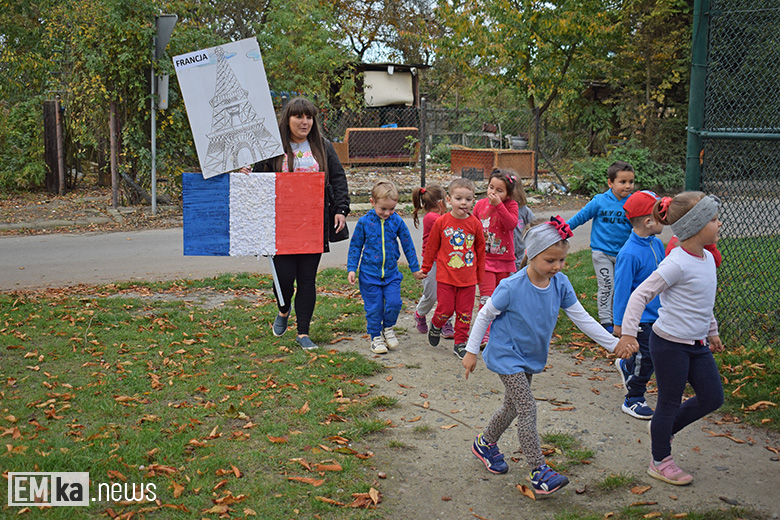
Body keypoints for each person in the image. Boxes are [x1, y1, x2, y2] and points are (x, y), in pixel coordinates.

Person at [462, 217, 630, 496]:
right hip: (506, 356)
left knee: (513, 407)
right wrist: (471, 351)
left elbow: (582, 318)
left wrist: (613, 344)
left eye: (561, 260)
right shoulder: (511, 286)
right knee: (527, 407)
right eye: (550, 260)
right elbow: (484, 315)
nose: (557, 267)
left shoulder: (560, 284)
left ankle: (485, 443)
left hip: (529, 356)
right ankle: (539, 471)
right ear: (531, 254)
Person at [616, 192, 724, 486]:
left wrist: (711, 331)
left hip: (697, 345)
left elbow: (704, 302)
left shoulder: (705, 260)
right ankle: (660, 460)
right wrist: (628, 332)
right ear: (695, 226)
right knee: (669, 402)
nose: (719, 224)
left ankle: (662, 430)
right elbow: (641, 295)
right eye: (714, 219)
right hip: (669, 345)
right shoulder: (676, 263)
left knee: (713, 396)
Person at [246, 97, 350, 350]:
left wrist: (341, 209)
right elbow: (258, 180)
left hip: (313, 223)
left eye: (309, 117)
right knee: (283, 278)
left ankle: (303, 331)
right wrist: (246, 175)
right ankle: (283, 310)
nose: (305, 122)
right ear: (287, 119)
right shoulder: (271, 147)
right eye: (299, 117)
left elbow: (338, 178)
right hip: (280, 224)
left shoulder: (321, 146)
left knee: (307, 278)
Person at [347, 180, 425, 354]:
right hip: (369, 275)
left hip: (391, 274)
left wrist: (414, 268)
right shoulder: (364, 222)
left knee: (394, 303)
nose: (387, 213)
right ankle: (375, 336)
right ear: (372, 202)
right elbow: (355, 246)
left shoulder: (396, 221)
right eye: (383, 209)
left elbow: (407, 244)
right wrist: (352, 268)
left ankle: (388, 328)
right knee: (374, 308)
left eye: (392, 209)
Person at [613, 190, 665, 420]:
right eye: (660, 213)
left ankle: (627, 366)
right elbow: (621, 291)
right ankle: (633, 399)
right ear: (648, 221)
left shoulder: (658, 244)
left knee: (650, 357)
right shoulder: (629, 253)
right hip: (640, 319)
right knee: (647, 359)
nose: (665, 217)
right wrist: (620, 325)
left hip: (659, 315)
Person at [567, 160, 635, 332]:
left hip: (624, 254)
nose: (628, 186)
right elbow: (581, 217)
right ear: (610, 183)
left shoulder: (633, 203)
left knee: (621, 286)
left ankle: (619, 317)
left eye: (631, 182)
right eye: (623, 182)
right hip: (601, 252)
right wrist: (563, 230)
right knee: (607, 285)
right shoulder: (599, 201)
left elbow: (640, 225)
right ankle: (606, 322)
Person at [421, 178, 485, 359]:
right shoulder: (442, 222)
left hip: (468, 279)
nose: (463, 203)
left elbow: (480, 251)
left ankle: (460, 343)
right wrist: (425, 268)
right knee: (445, 310)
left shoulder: (475, 224)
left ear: (473, 200)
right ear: (448, 200)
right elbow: (431, 247)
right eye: (458, 198)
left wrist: (480, 277)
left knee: (465, 314)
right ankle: (436, 324)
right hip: (446, 278)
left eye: (468, 199)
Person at [473, 169, 519, 346]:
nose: (493, 193)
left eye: (500, 190)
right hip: (485, 261)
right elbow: (474, 228)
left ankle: (498, 332)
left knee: (502, 299)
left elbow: (511, 224)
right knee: (486, 299)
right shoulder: (480, 205)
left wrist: (499, 205)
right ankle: (483, 334)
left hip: (505, 262)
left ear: (508, 193)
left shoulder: (511, 206)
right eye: (491, 187)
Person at [411, 184, 455, 340]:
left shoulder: (443, 216)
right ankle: (420, 313)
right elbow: (447, 227)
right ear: (441, 202)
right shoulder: (432, 217)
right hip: (433, 263)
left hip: (447, 262)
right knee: (431, 295)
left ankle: (446, 322)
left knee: (448, 295)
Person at [513, 180, 535, 271]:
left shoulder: (523, 210)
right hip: (505, 255)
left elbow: (535, 224)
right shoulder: (500, 209)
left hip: (520, 254)